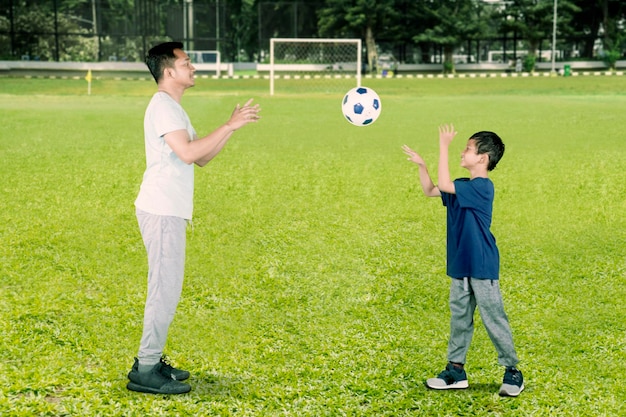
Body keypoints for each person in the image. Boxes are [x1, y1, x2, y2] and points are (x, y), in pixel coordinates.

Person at [127, 41, 261, 395]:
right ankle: (146, 369)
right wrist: (228, 124)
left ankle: (150, 361)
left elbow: (202, 156)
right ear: (169, 71)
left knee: (166, 289)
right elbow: (188, 153)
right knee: (163, 291)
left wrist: (230, 128)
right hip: (161, 209)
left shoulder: (173, 108)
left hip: (168, 208)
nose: (193, 68)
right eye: (187, 63)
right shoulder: (164, 107)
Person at [401, 124, 524, 397]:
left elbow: (444, 184)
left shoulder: (483, 187)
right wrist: (422, 166)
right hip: (460, 264)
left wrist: (442, 145)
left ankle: (512, 371)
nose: (462, 151)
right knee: (460, 319)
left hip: (482, 265)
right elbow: (432, 190)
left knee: (494, 318)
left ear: (483, 158)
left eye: (467, 148)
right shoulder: (462, 186)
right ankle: (456, 370)